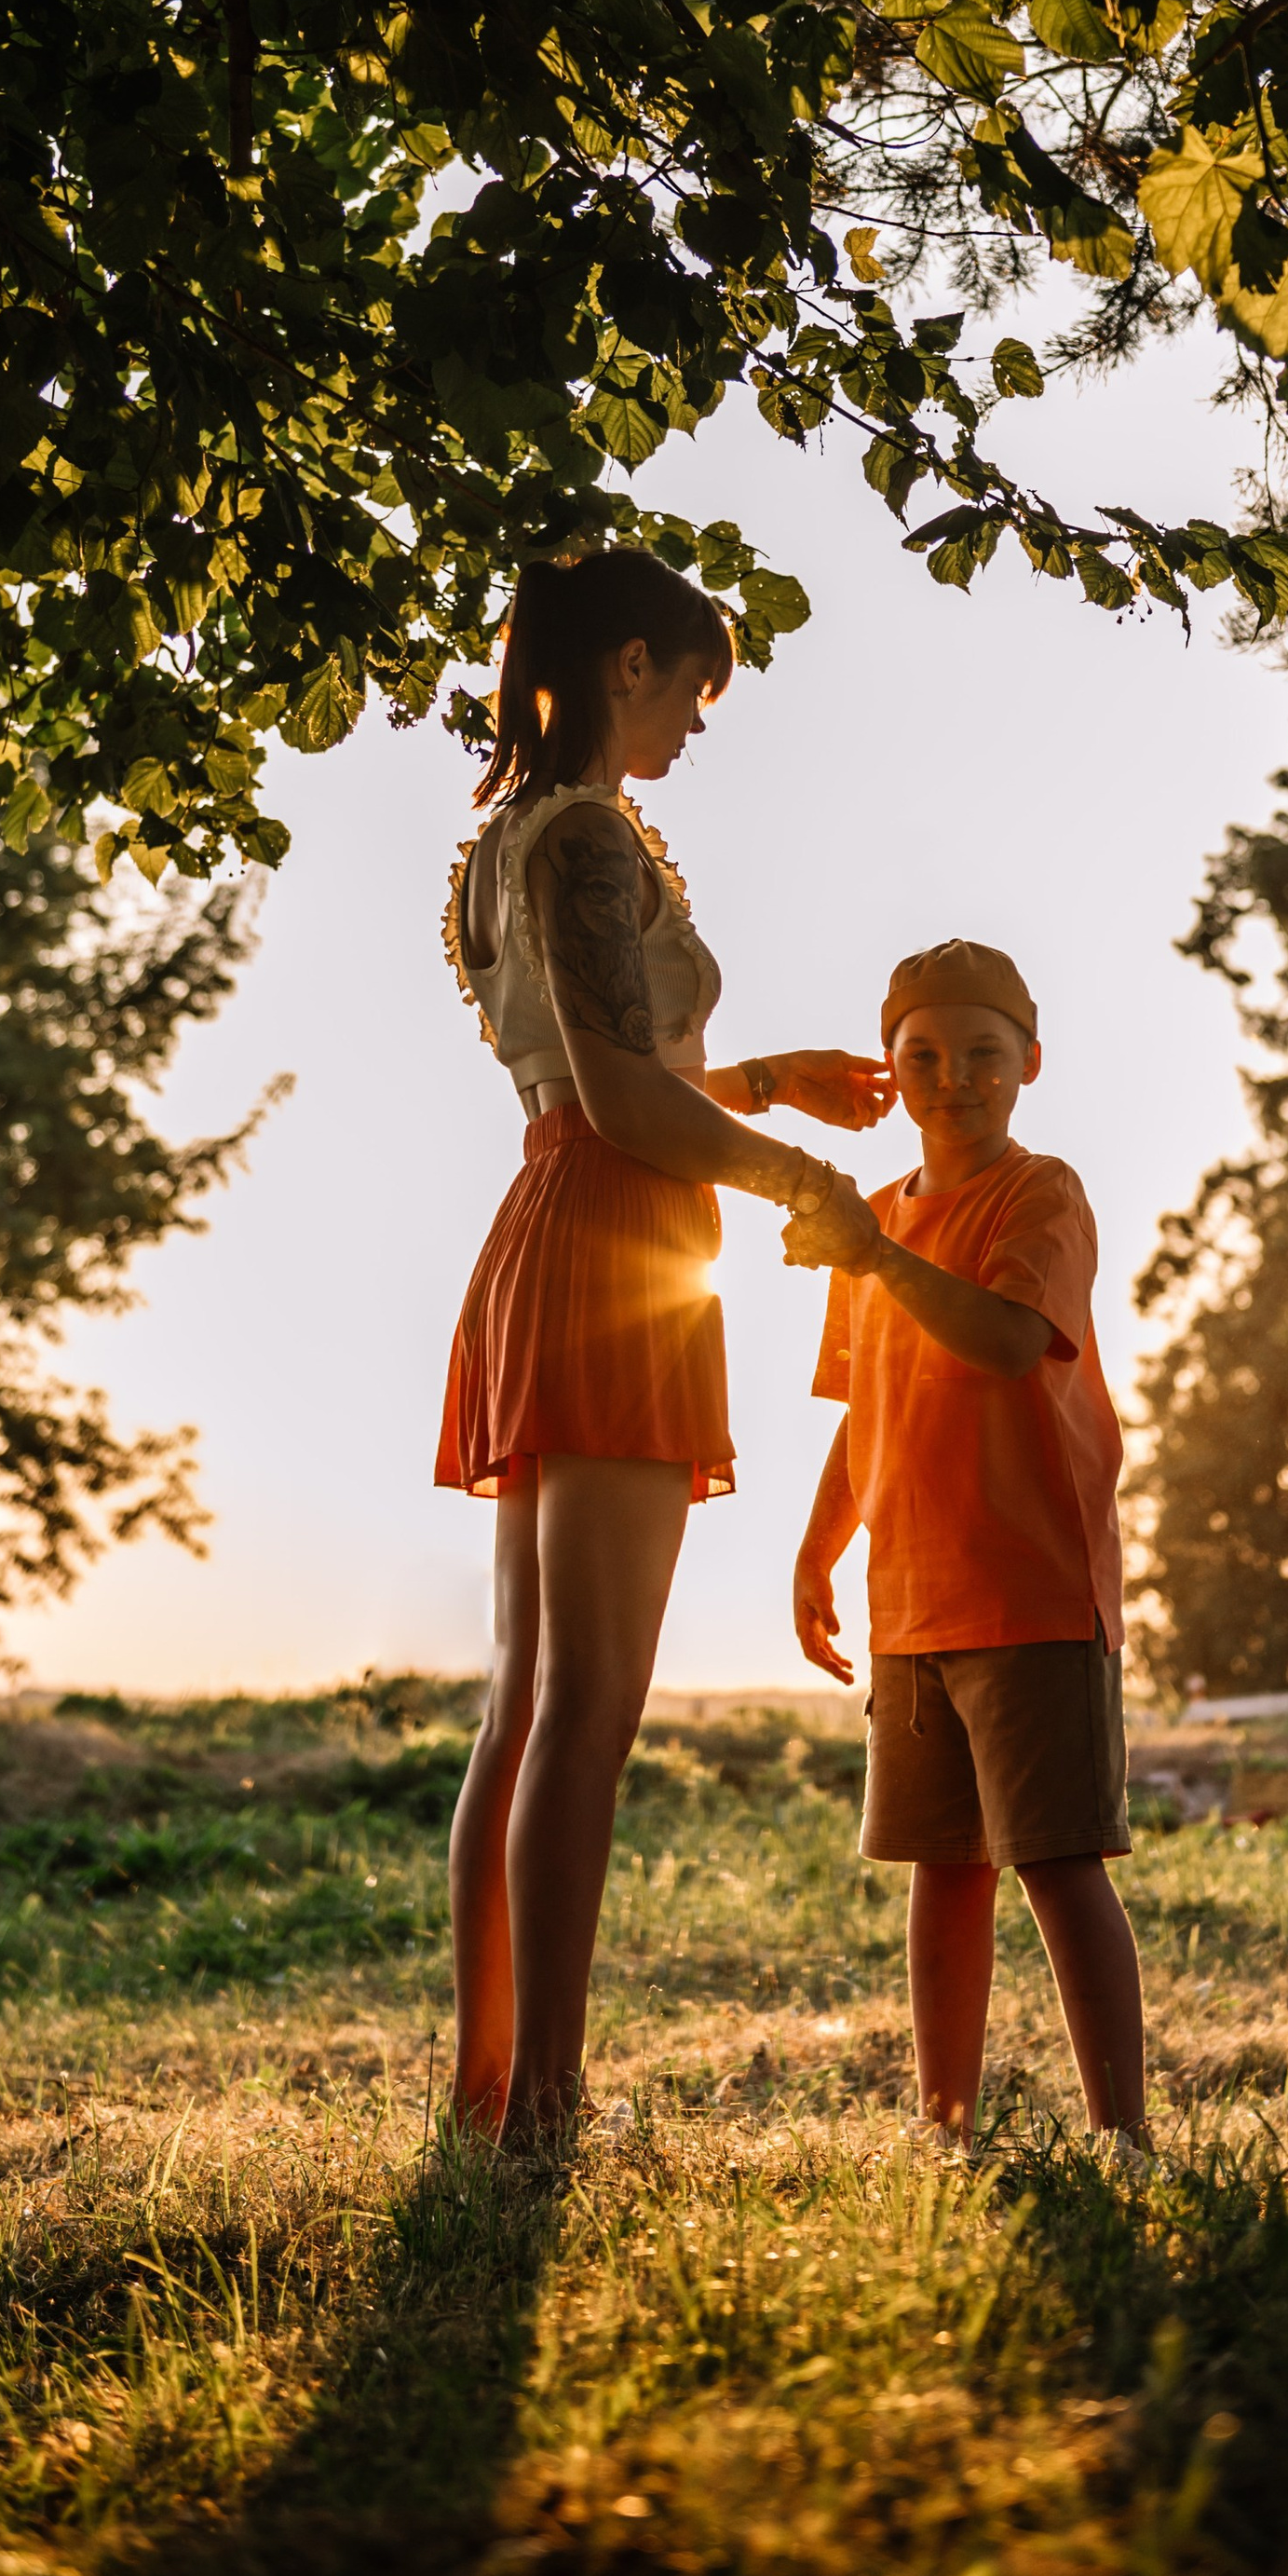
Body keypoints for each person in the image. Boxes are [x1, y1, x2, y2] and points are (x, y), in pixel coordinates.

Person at [438, 548, 890, 2145]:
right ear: (632, 663)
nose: (700, 723)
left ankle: (491, 2081)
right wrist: (803, 1180)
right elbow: (629, 1101)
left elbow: (606, 1068)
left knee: (526, 1696)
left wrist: (761, 1082)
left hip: (550, 1220)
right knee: (589, 1705)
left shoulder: (509, 836)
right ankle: (545, 2098)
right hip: (616, 1232)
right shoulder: (587, 836)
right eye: (696, 688)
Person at [784, 940, 1147, 2150]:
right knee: (945, 1873)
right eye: (923, 1055)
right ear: (890, 1068)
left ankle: (1123, 2140)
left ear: (1029, 1063)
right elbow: (862, 1407)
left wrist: (876, 1258)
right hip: (912, 1600)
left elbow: (1002, 1341)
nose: (952, 1077)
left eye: (982, 1054)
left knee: (1056, 1863)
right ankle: (946, 2130)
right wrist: (817, 1550)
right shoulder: (870, 1221)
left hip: (1032, 1587)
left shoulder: (1040, 1193)